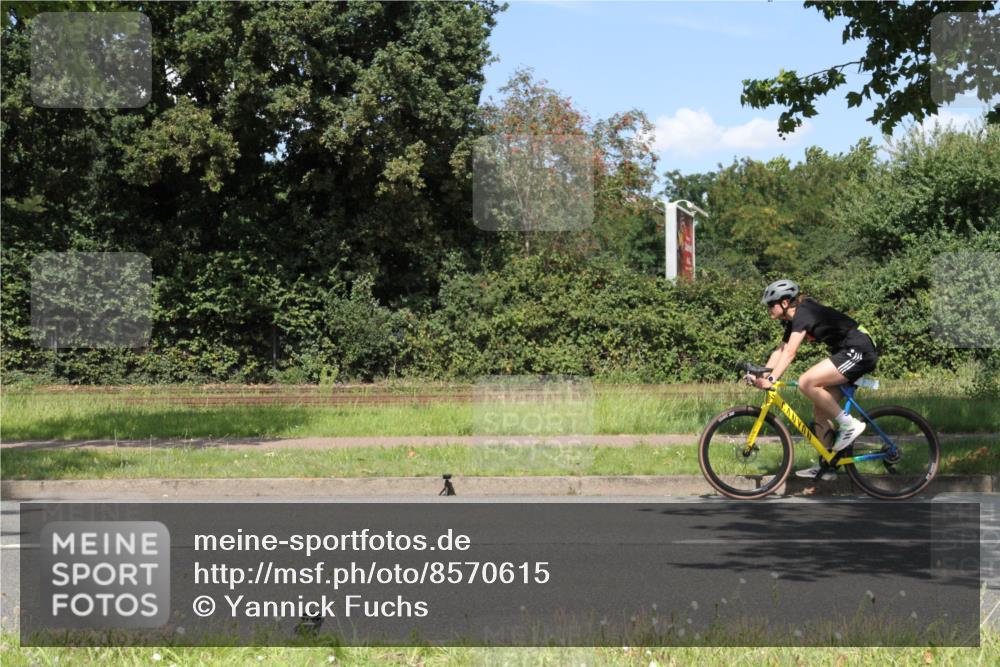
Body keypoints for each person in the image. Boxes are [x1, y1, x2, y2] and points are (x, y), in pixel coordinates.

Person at [753, 279, 879, 480]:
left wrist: (772, 378)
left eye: (771, 304)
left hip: (858, 350)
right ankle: (828, 465)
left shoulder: (803, 313)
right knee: (820, 410)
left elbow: (790, 354)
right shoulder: (794, 319)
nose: (768, 308)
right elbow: (781, 349)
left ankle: (850, 425)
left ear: (785, 303)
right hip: (846, 351)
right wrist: (760, 374)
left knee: (806, 382)